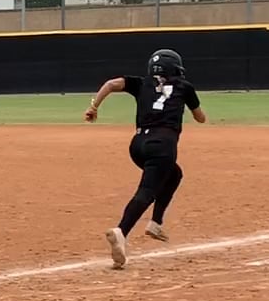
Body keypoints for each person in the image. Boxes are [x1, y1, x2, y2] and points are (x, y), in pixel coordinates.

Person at [85, 48, 207, 270]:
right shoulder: (184, 86)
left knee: (174, 174)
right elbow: (200, 118)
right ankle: (121, 231)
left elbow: (111, 84)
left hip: (138, 145)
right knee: (148, 190)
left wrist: (94, 107)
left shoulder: (141, 83)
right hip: (162, 145)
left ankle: (156, 223)